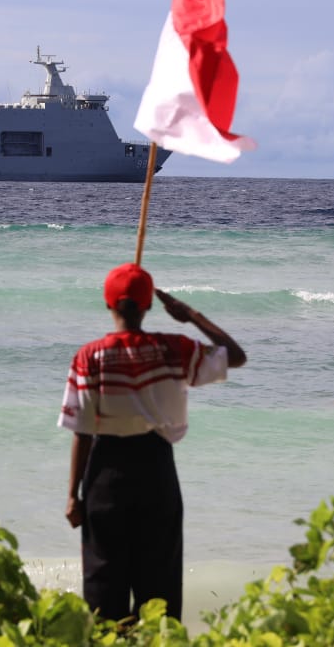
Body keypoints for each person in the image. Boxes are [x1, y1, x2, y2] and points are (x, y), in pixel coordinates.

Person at [58, 262, 246, 622]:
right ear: (148, 306)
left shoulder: (89, 357)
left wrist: (72, 495)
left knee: (104, 586)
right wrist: (190, 315)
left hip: (104, 475)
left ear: (107, 303)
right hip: (156, 471)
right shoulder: (174, 349)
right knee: (159, 584)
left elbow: (82, 431)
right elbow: (236, 356)